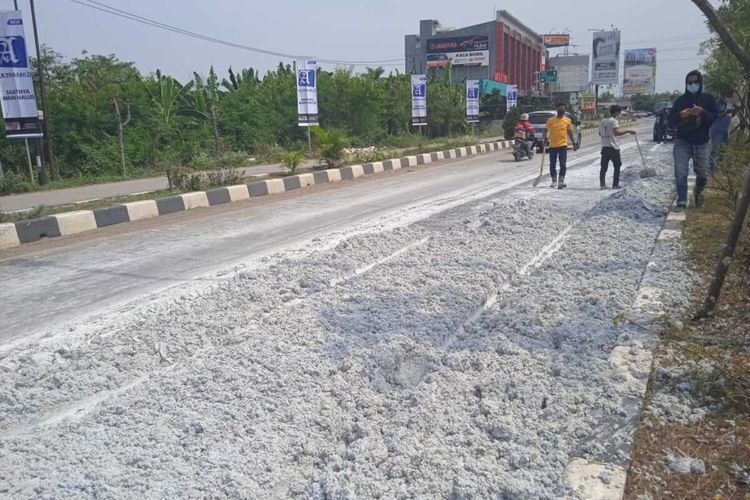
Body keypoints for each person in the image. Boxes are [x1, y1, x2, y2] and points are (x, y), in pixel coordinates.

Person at [668, 70, 718, 211]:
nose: (693, 85)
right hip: (683, 141)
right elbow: (670, 122)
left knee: (702, 173)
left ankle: (698, 192)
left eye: (696, 82)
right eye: (690, 82)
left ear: (700, 83)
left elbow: (714, 118)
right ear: (686, 84)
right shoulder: (680, 101)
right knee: (681, 172)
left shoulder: (708, 99)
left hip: (702, 141)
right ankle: (682, 200)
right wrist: (680, 115)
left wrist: (702, 111)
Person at [599, 105, 636, 190]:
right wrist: (628, 131)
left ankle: (602, 184)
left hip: (604, 147)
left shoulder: (602, 121)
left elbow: (600, 133)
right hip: (613, 147)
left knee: (604, 167)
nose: (619, 114)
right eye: (618, 112)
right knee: (617, 165)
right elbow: (616, 133)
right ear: (616, 112)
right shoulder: (614, 121)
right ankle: (615, 184)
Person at [544, 103, 578, 189]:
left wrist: (574, 143)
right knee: (552, 164)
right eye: (560, 109)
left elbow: (570, 132)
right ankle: (554, 180)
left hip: (563, 145)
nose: (561, 111)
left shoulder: (567, 120)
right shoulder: (550, 120)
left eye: (563, 110)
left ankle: (561, 181)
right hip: (552, 146)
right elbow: (545, 130)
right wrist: (544, 139)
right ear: (557, 110)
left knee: (563, 164)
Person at [709, 92, 735, 170]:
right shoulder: (717, 103)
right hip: (717, 130)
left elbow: (730, 115)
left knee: (723, 150)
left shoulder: (730, 103)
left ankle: (720, 166)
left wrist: (734, 111)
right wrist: (726, 112)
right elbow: (716, 115)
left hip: (726, 130)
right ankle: (711, 167)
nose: (728, 95)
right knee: (715, 150)